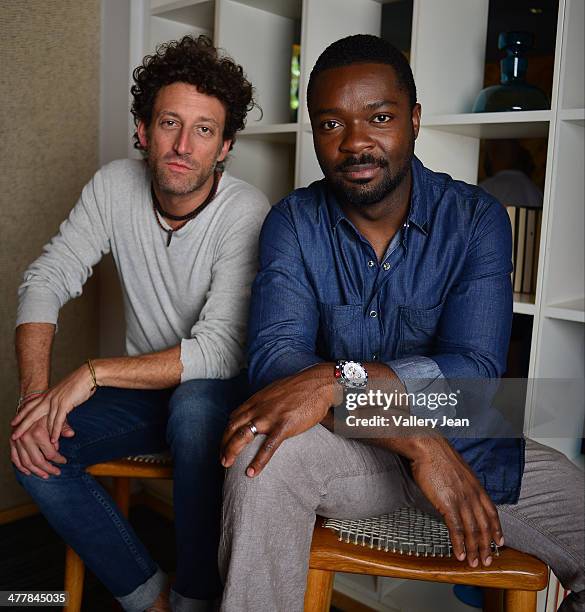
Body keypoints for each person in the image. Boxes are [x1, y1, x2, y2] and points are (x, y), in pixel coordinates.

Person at [218, 35, 584, 612]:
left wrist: (339, 381)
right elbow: (276, 362)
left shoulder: (475, 218)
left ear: (414, 120)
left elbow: (478, 378)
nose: (356, 142)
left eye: (379, 117)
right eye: (332, 124)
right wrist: (419, 442)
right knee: (259, 459)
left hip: (473, 441)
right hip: (346, 451)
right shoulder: (293, 221)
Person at [11, 35, 269, 612]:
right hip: (143, 395)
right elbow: (45, 279)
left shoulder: (246, 212)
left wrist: (93, 373)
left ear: (225, 146)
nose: (183, 145)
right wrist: (36, 398)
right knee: (33, 446)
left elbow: (222, 349)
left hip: (216, 398)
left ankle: (196, 596)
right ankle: (151, 599)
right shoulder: (112, 186)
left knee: (196, 407)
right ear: (142, 130)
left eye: (204, 130)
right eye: (169, 122)